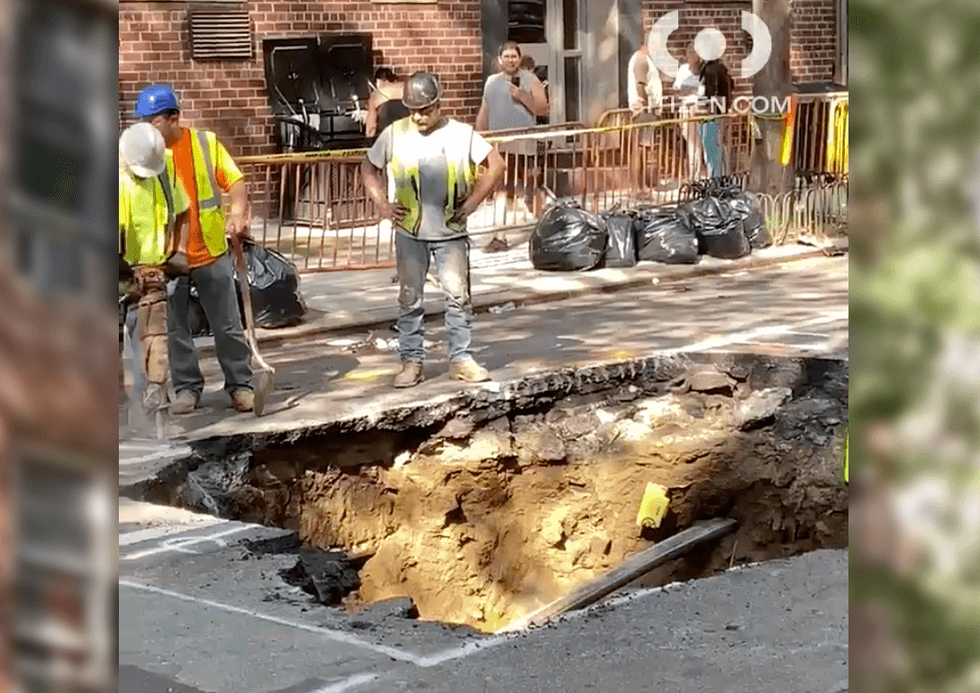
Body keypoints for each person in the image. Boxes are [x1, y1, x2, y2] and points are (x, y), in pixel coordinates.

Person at [361, 72, 505, 388]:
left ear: (438, 104)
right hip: (411, 232)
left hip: (450, 232)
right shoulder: (394, 134)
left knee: (458, 297)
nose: (419, 116)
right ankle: (411, 362)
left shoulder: (461, 134)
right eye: (413, 110)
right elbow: (369, 168)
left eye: (425, 109)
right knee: (410, 300)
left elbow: (496, 164)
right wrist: (383, 206)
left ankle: (461, 359)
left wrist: (473, 202)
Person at [135, 84, 255, 414]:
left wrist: (237, 213)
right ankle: (187, 389)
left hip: (210, 252)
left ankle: (241, 385)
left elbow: (236, 182)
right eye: (141, 122)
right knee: (175, 330)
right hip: (168, 258)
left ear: (173, 118)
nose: (146, 128)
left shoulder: (204, 144)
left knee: (227, 326)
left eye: (152, 121)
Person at [118, 122, 190, 415]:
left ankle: (155, 394)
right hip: (120, 269)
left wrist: (180, 251)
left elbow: (182, 210)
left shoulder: (165, 166)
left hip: (155, 269)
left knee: (156, 338)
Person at [476, 42, 548, 217]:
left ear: (519, 59)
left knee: (531, 187)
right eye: (507, 56)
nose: (510, 60)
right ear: (500, 60)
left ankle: (541, 224)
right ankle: (501, 233)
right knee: (502, 189)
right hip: (500, 146)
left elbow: (543, 109)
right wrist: (479, 135)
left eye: (514, 56)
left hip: (524, 145)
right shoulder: (492, 82)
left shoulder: (530, 79)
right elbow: (485, 110)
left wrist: (521, 96)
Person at [627, 32, 664, 191]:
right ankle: (639, 186)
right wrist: (645, 106)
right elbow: (640, 84)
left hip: (646, 110)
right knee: (641, 149)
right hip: (644, 111)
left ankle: (643, 184)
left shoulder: (643, 59)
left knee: (643, 148)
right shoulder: (641, 60)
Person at [673, 48, 706, 180]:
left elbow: (703, 91)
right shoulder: (683, 70)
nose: (690, 58)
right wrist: (687, 90)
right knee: (691, 143)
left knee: (697, 143)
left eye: (693, 55)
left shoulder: (703, 71)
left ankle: (696, 175)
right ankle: (693, 174)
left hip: (698, 109)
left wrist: (691, 90)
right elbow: (677, 87)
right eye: (689, 55)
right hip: (686, 109)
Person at [699, 58, 734, 178]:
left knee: (712, 148)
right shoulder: (722, 69)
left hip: (713, 115)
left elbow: (711, 95)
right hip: (721, 112)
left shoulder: (710, 70)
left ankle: (715, 178)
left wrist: (710, 112)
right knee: (718, 148)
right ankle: (721, 176)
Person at [366, 67, 410, 140]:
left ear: (378, 81)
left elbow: (371, 128)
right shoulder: (408, 88)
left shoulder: (376, 95)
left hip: (388, 139)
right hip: (409, 135)